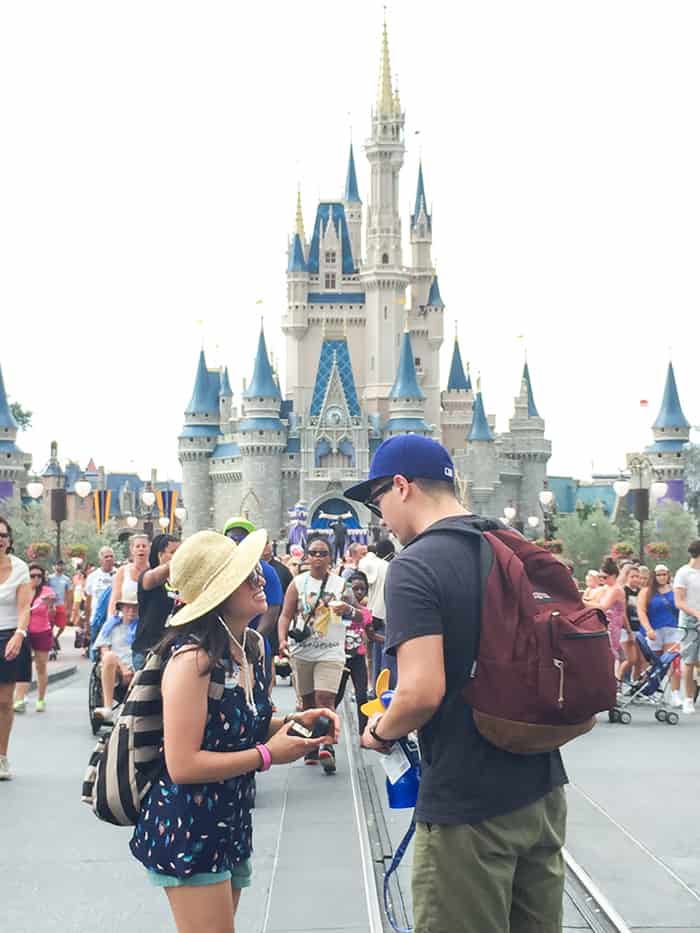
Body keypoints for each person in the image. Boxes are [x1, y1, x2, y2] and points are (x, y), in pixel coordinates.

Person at [345, 434, 568, 933]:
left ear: (401, 487)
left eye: (377, 499)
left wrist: (381, 731)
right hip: (541, 787)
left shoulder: (415, 565)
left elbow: (422, 691)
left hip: (468, 804)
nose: (379, 517)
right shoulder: (509, 543)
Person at [129, 529, 339, 933]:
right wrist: (268, 756)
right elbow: (183, 764)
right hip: (189, 827)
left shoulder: (251, 647)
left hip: (229, 819)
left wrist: (297, 722)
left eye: (256, 571)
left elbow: (244, 724)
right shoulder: (192, 660)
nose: (260, 580)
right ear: (218, 592)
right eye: (247, 576)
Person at [278, 534, 356, 773]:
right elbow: (285, 615)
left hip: (331, 651)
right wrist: (282, 639)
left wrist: (348, 608)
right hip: (303, 652)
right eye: (313, 553)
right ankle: (310, 744)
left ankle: (327, 745)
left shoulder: (342, 585)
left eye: (323, 553)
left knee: (325, 699)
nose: (318, 558)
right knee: (307, 703)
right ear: (307, 557)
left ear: (331, 557)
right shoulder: (297, 583)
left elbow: (359, 613)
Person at [0, 517, 32, 780]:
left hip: (8, 636)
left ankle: (2, 757)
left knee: (3, 701)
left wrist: (19, 635)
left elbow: (24, 608)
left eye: (3, 535)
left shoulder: (20, 568)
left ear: (9, 540)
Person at [133, 534, 180, 671]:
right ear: (160, 555)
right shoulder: (148, 575)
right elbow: (150, 581)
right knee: (145, 692)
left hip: (172, 651)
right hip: (147, 650)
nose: (177, 556)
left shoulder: (182, 582)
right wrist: (174, 563)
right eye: (173, 552)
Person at [13, 564, 55, 713]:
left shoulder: (47, 592)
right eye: (33, 575)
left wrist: (50, 606)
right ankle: (20, 699)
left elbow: (52, 614)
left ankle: (41, 699)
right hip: (24, 631)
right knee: (22, 665)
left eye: (39, 576)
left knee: (40, 666)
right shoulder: (22, 590)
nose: (36, 578)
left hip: (42, 631)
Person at [637, 563, 681, 705]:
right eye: (659, 574)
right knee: (653, 663)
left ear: (668, 575)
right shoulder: (647, 591)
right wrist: (648, 629)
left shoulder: (674, 590)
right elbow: (641, 611)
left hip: (672, 629)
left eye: (664, 574)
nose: (662, 577)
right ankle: (651, 689)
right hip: (654, 630)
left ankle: (675, 693)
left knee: (672, 662)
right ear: (654, 576)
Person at [335, 571, 372, 734]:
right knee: (336, 697)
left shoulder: (365, 611)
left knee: (362, 695)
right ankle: (326, 733)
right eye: (355, 589)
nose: (358, 593)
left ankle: (364, 732)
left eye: (362, 589)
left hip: (358, 657)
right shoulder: (339, 609)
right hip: (340, 658)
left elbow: (369, 630)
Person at [92, 598, 139, 722]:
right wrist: (123, 668)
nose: (131, 610)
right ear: (122, 608)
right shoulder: (110, 625)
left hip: (136, 668)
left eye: (135, 607)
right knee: (109, 656)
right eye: (128, 607)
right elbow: (104, 650)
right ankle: (108, 708)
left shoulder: (143, 627)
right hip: (115, 667)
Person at [359, 540, 394, 687]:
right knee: (385, 658)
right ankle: (382, 688)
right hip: (386, 616)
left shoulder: (369, 564)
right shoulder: (389, 566)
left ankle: (373, 687)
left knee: (372, 657)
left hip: (371, 614)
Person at [584, 558, 626, 673]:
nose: (602, 580)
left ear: (613, 576)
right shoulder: (606, 588)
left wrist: (582, 602)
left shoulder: (616, 589)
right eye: (600, 577)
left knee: (612, 652)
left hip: (612, 626)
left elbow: (603, 607)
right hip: (604, 624)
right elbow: (594, 601)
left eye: (605, 577)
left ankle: (614, 680)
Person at [674, 540, 700, 714]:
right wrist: (697, 614)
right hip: (689, 622)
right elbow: (679, 601)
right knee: (689, 661)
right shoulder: (684, 573)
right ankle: (688, 699)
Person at [108, 533, 149, 617]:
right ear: (132, 549)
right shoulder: (122, 571)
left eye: (144, 546)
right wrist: (111, 620)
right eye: (137, 546)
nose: (141, 549)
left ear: (149, 549)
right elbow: (115, 599)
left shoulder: (154, 571)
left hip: (147, 620)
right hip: (125, 620)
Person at [84, 547, 116, 651]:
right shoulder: (93, 577)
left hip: (114, 620)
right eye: (106, 557)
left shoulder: (120, 574)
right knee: (97, 651)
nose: (109, 559)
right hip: (96, 620)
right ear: (100, 560)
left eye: (111, 556)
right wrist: (87, 624)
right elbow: (87, 602)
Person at [619, 564, 642, 682]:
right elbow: (623, 613)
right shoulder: (624, 591)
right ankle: (618, 681)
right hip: (626, 629)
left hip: (639, 628)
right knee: (630, 659)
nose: (636, 579)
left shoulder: (640, 592)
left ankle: (635, 684)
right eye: (633, 576)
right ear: (627, 576)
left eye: (638, 576)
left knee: (640, 660)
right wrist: (629, 631)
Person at [47, 558, 72, 653]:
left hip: (61, 605)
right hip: (51, 605)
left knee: (62, 625)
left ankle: (55, 637)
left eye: (61, 565)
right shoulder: (50, 578)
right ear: (54, 567)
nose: (59, 567)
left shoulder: (66, 579)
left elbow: (69, 593)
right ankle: (52, 643)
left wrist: (69, 608)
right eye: (58, 565)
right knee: (50, 625)